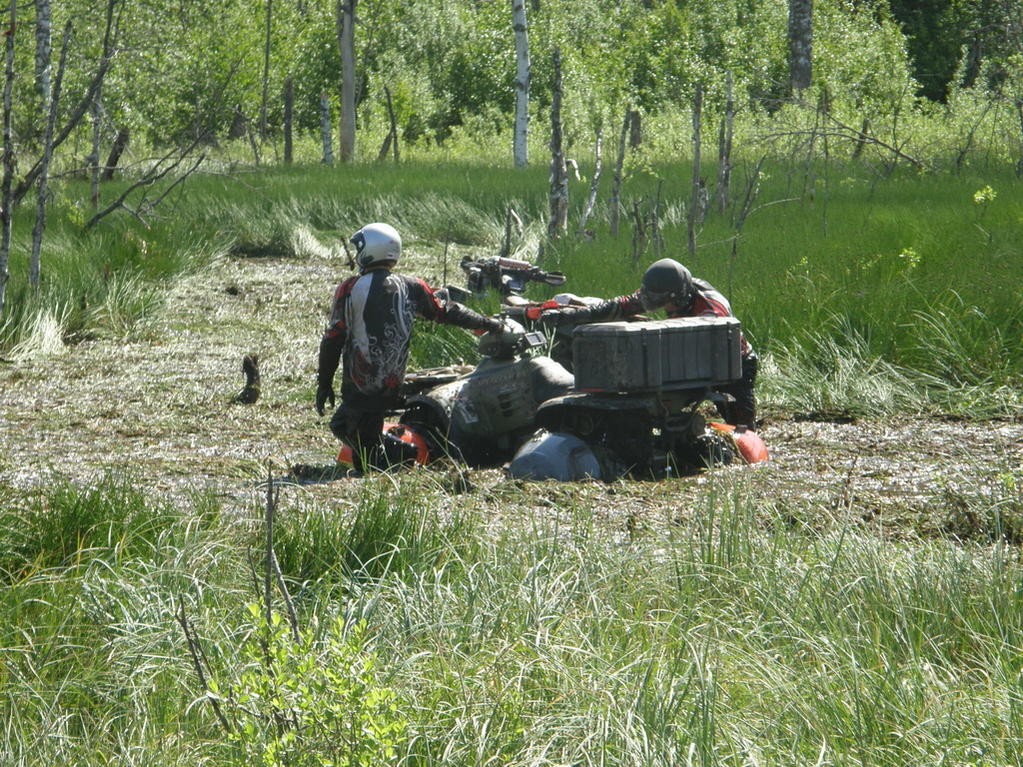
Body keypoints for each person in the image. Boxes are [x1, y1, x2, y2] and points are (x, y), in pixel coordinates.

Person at [316, 222, 503, 473]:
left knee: (355, 438)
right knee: (351, 429)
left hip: (361, 382)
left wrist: (324, 381)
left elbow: (333, 338)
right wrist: (487, 323)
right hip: (392, 381)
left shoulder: (350, 288)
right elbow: (447, 311)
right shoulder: (413, 286)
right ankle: (394, 459)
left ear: (369, 250)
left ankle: (403, 458)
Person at [540, 257, 758, 430]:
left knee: (741, 426)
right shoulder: (665, 289)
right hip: (689, 363)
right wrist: (570, 316)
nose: (662, 307)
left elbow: (693, 336)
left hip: (732, 364)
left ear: (679, 297)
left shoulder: (711, 310)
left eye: (665, 304)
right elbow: (622, 306)